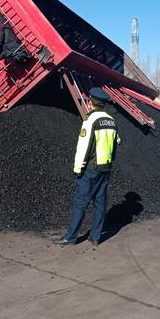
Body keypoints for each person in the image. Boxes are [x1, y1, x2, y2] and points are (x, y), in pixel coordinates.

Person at [54, 87, 120, 247]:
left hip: (91, 169)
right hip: (106, 168)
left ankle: (70, 238)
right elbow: (117, 142)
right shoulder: (111, 121)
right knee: (100, 202)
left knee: (80, 202)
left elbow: (83, 147)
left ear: (91, 103)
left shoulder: (90, 121)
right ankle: (96, 237)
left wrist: (78, 169)